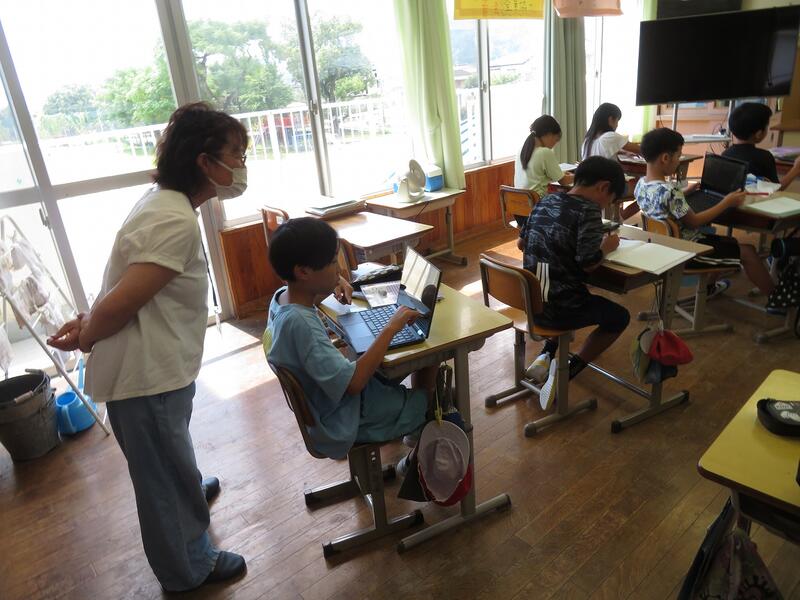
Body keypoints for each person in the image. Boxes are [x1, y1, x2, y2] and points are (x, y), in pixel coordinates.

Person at [47, 102, 248, 592]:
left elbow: (123, 285)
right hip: (146, 377)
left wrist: (87, 321)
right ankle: (188, 568)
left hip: (157, 369)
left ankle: (187, 489)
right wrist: (89, 334)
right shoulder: (174, 219)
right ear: (205, 161)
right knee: (161, 477)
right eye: (236, 155)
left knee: (169, 454)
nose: (242, 165)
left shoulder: (163, 202)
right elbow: (122, 301)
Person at [263, 217, 436, 461]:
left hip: (326, 404)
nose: (339, 269)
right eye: (333, 262)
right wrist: (391, 327)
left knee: (414, 357)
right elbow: (353, 384)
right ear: (303, 272)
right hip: (343, 419)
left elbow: (307, 297)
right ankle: (415, 460)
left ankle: (411, 428)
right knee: (433, 399)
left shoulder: (282, 298)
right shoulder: (301, 326)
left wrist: (335, 281)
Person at [517, 157, 630, 409]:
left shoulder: (546, 200)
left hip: (532, 301)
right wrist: (607, 246)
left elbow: (521, 243)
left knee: (566, 291)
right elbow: (588, 263)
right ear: (603, 187)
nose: (606, 205)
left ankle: (546, 355)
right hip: (560, 309)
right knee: (619, 316)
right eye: (610, 199)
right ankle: (568, 371)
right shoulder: (588, 210)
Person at [635, 127, 775, 299]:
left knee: (728, 242)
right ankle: (776, 299)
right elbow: (694, 222)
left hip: (662, 247)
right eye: (678, 156)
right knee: (749, 252)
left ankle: (708, 288)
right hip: (689, 252)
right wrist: (726, 202)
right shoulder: (671, 192)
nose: (679, 161)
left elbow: (660, 204)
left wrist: (685, 192)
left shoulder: (641, 184)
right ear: (665, 158)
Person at [513, 115, 574, 229]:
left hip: (519, 211)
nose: (554, 144)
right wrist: (577, 175)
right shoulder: (544, 152)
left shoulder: (522, 149)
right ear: (549, 134)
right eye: (555, 140)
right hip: (538, 211)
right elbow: (564, 181)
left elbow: (535, 175)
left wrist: (561, 174)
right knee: (573, 206)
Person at [583, 102, 642, 220]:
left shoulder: (588, 140)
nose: (617, 125)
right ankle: (621, 217)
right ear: (611, 119)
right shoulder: (610, 136)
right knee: (646, 191)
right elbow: (640, 149)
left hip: (591, 185)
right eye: (617, 121)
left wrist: (622, 152)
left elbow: (602, 150)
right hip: (609, 187)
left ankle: (618, 216)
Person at [722, 102, 800, 190]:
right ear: (758, 134)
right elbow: (776, 189)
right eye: (767, 126)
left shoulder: (725, 154)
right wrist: (796, 169)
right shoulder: (764, 157)